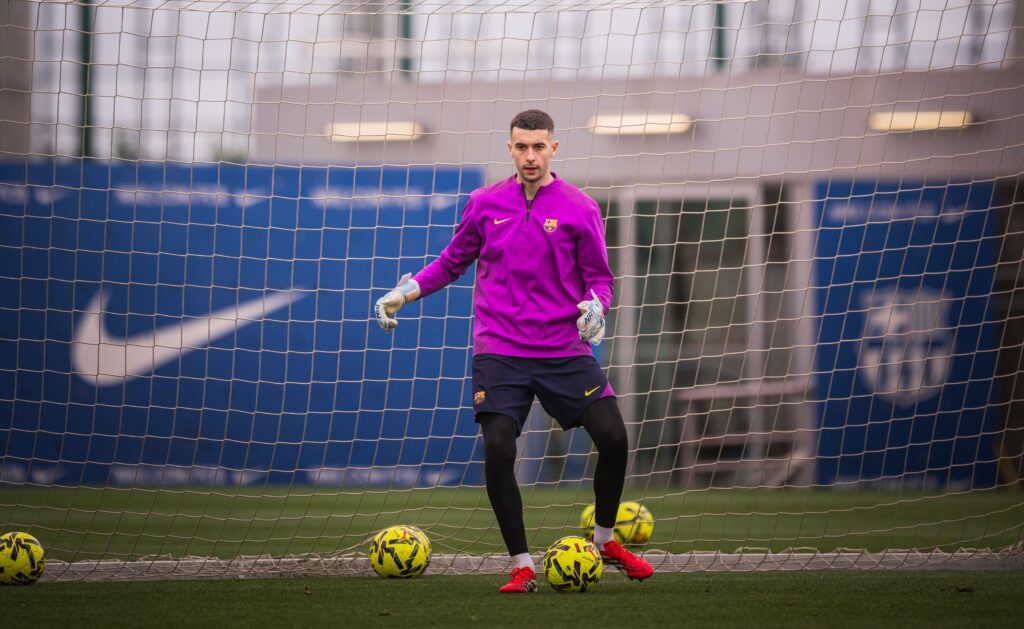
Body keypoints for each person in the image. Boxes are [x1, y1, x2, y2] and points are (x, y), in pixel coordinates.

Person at [374, 109, 654, 593]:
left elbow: (600, 278)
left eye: (538, 146)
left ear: (553, 148)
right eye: (521, 146)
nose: (530, 156)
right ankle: (522, 565)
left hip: (562, 349)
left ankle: (606, 541)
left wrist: (597, 305)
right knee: (499, 447)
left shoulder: (581, 207)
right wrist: (407, 291)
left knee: (613, 436)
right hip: (500, 350)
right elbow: (452, 262)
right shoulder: (484, 203)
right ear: (510, 148)